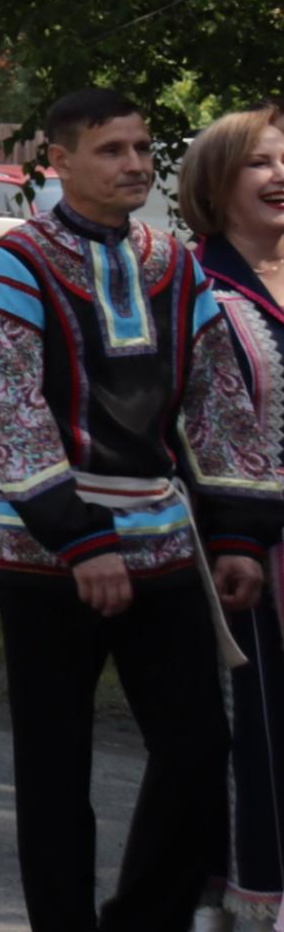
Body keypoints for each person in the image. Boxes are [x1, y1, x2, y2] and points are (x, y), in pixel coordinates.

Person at [0, 87, 280, 932]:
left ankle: (139, 922)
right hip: (45, 560)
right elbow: (13, 411)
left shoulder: (172, 264)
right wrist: (80, 542)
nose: (135, 165)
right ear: (59, 159)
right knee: (54, 767)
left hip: (162, 543)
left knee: (195, 750)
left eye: (142, 148)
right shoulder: (15, 263)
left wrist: (236, 535)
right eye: (111, 150)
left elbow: (218, 403)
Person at [187, 105, 284, 928]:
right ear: (215, 187)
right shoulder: (194, 288)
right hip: (246, 553)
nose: (278, 176)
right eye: (258, 163)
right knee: (261, 742)